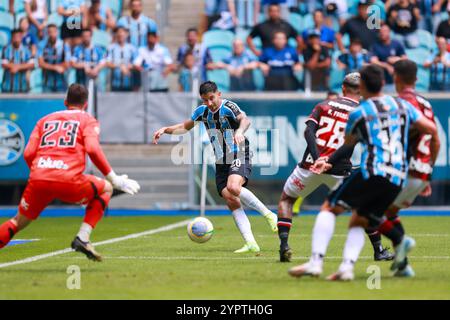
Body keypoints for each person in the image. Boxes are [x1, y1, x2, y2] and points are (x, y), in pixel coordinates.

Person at [288, 64, 437, 280]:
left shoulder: (359, 113)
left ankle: (315, 263)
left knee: (329, 208)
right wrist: (427, 168)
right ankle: (348, 268)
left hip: (372, 171)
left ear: (363, 86)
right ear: (383, 84)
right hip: (398, 176)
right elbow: (431, 131)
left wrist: (326, 161)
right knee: (360, 217)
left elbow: (348, 146)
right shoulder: (402, 105)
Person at [0, 84, 140, 261]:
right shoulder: (87, 120)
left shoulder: (44, 120)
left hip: (39, 179)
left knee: (16, 222)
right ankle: (83, 237)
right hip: (69, 179)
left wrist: (41, 173)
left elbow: (28, 153)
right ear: (86, 104)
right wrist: (113, 178)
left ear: (65, 102)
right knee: (106, 189)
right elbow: (93, 149)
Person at [153, 81, 278, 253]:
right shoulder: (202, 112)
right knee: (230, 198)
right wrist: (165, 130)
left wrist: (240, 132)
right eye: (205, 100)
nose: (209, 103)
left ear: (218, 94)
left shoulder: (228, 107)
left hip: (239, 152)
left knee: (233, 187)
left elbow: (245, 120)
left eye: (211, 98)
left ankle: (269, 215)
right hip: (221, 159)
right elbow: (184, 127)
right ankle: (250, 243)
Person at [379, 60, 441, 266]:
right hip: (423, 170)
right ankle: (402, 264)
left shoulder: (400, 103)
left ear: (394, 76)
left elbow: (411, 132)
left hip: (405, 169)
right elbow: (435, 138)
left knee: (367, 212)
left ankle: (402, 242)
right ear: (416, 79)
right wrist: (428, 172)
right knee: (391, 212)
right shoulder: (425, 102)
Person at [370, 23, 407, 92]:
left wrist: (396, 59)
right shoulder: (376, 46)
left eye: (384, 31)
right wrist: (386, 66)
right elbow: (373, 61)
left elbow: (405, 58)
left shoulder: (396, 44)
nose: (382, 33)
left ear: (389, 32)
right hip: (382, 81)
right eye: (381, 32)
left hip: (395, 81)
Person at [38, 24, 71, 93]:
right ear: (47, 33)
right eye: (50, 32)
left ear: (57, 32)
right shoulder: (42, 45)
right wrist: (55, 67)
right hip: (47, 83)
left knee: (61, 103)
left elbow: (67, 64)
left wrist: (48, 66)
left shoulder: (64, 45)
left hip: (62, 83)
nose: (52, 34)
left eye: (54, 32)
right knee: (47, 103)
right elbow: (40, 63)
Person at [1, 29, 35, 93]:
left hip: (23, 87)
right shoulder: (5, 49)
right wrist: (22, 66)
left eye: (18, 37)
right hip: (7, 87)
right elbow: (4, 64)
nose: (16, 39)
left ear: (21, 37)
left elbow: (31, 64)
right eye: (14, 37)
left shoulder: (27, 50)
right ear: (11, 38)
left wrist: (17, 67)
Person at [106, 26, 139, 92]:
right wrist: (120, 66)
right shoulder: (111, 48)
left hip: (129, 83)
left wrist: (130, 67)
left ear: (126, 35)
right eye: (118, 33)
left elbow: (137, 64)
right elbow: (107, 63)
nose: (120, 35)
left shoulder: (132, 48)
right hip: (115, 84)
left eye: (122, 33)